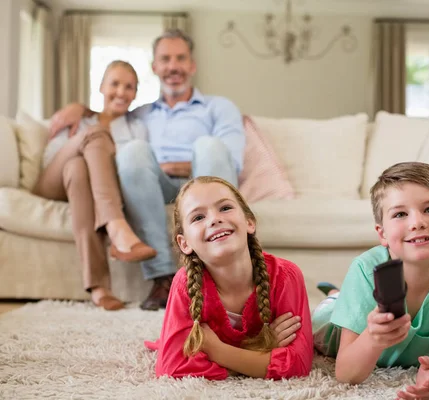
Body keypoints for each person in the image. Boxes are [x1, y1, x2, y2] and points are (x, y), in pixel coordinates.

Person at [48, 29, 245, 311]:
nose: (173, 66)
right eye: (165, 59)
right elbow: (105, 118)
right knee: (133, 151)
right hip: (159, 187)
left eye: (180, 58)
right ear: (155, 67)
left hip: (205, 181)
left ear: (192, 65)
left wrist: (187, 165)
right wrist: (79, 107)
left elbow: (232, 162)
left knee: (208, 145)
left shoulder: (219, 107)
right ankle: (163, 277)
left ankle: (214, 272)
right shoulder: (139, 114)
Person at [312, 162, 429, 399]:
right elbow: (346, 374)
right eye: (400, 214)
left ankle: (338, 294)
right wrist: (374, 338)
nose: (417, 222)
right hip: (329, 325)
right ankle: (335, 296)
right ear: (382, 233)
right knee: (320, 318)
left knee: (345, 298)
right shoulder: (366, 269)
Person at [144, 176, 313, 380]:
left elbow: (299, 364)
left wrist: (216, 350)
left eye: (225, 208)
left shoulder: (286, 275)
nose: (214, 219)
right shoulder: (186, 283)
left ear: (249, 222)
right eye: (198, 217)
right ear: (184, 243)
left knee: (326, 326)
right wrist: (262, 353)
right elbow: (172, 368)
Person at [33, 61, 157, 311]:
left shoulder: (137, 129)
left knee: (78, 169)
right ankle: (117, 226)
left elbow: (134, 173)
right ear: (101, 86)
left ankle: (99, 288)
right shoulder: (79, 118)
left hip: (83, 185)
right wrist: (89, 138)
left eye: (129, 87)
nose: (121, 92)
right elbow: (51, 158)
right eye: (115, 84)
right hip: (52, 182)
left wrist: (90, 161)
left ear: (135, 94)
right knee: (95, 137)